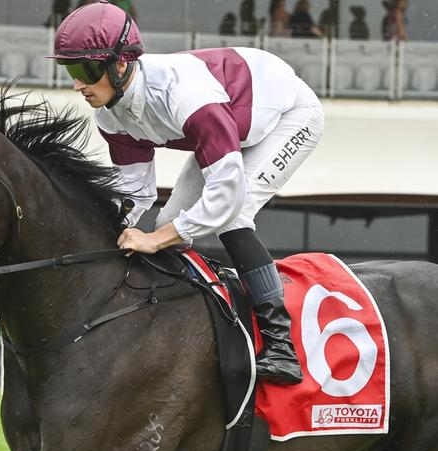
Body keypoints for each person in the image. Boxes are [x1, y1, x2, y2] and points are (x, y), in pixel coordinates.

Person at [50, 0, 325, 385]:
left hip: (287, 115)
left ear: (121, 63)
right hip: (231, 124)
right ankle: (184, 322)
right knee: (168, 223)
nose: (77, 83)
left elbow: (225, 198)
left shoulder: (184, 96)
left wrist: (155, 240)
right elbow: (134, 194)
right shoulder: (110, 115)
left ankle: (282, 346)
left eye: (85, 69)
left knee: (234, 214)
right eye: (70, 70)